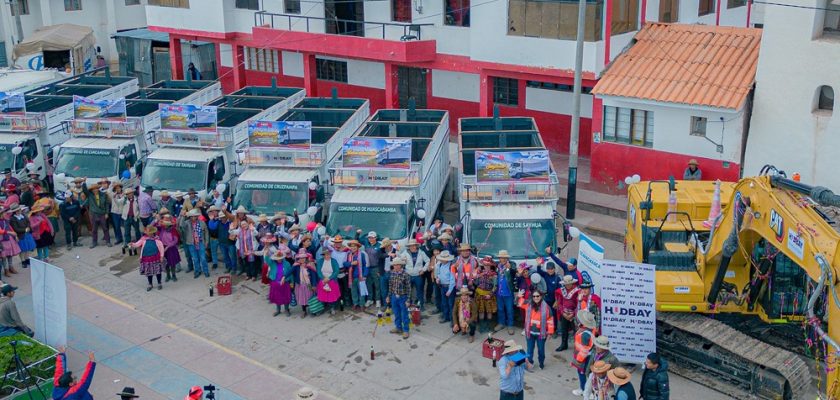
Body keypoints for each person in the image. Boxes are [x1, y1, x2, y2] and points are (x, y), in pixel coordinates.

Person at [524, 289, 554, 369]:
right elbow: (519, 303)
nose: (535, 298)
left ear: (541, 296)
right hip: (529, 333)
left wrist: (550, 333)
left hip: (541, 334)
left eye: (537, 296)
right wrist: (518, 297)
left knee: (541, 351)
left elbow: (550, 320)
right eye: (534, 296)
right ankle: (530, 363)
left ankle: (541, 363)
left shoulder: (546, 307)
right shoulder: (528, 304)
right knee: (529, 350)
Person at [572, 310, 598, 396]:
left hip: (583, 358)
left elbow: (584, 350)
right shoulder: (590, 330)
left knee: (582, 373)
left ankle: (583, 389)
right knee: (589, 374)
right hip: (588, 356)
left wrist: (578, 361)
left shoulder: (584, 334)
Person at [131, 225, 165, 291]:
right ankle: (150, 284)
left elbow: (161, 249)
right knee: (148, 272)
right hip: (146, 259)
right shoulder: (143, 239)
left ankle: (159, 283)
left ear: (153, 233)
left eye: (150, 233)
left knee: (158, 271)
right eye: (148, 233)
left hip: (155, 258)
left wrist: (161, 256)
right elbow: (137, 244)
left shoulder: (157, 240)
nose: (149, 234)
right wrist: (132, 244)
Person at [180, 208, 209, 278]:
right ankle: (197, 271)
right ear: (189, 216)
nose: (193, 217)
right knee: (195, 258)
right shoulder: (187, 223)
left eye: (195, 216)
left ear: (197, 216)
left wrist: (207, 241)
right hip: (191, 243)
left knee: (203, 258)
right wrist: (183, 217)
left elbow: (206, 232)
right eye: (192, 216)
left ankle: (206, 271)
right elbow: (181, 225)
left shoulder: (202, 222)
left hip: (200, 242)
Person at [386, 256, 411, 338]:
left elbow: (409, 288)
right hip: (394, 296)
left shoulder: (405, 275)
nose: (396, 266)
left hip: (403, 297)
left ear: (401, 265)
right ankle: (398, 327)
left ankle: (406, 330)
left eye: (398, 265)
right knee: (396, 313)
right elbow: (390, 286)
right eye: (394, 265)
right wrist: (388, 296)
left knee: (404, 314)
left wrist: (408, 300)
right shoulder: (392, 273)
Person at [555, 275, 580, 352]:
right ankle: (564, 344)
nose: (567, 285)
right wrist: (563, 313)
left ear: (572, 283)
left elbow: (579, 304)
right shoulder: (561, 290)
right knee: (564, 330)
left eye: (569, 284)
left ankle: (578, 347)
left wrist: (573, 314)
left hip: (574, 314)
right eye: (566, 284)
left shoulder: (577, 291)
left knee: (576, 331)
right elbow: (559, 303)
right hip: (564, 313)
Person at [403, 239, 430, 311]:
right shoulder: (405, 252)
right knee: (408, 291)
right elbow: (400, 260)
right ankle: (409, 305)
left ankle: (421, 305)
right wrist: (403, 261)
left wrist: (423, 270)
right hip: (408, 274)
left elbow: (428, 261)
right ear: (409, 246)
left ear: (416, 246)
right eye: (411, 246)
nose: (412, 247)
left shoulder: (421, 252)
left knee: (420, 291)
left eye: (414, 245)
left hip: (418, 275)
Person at [493, 250, 516, 335]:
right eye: (500, 258)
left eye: (503, 257)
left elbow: (514, 272)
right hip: (499, 292)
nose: (502, 259)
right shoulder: (497, 266)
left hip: (508, 292)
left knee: (509, 310)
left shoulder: (511, 265)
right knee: (500, 309)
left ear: (507, 258)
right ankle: (501, 323)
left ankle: (510, 325)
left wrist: (510, 268)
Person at [292, 248, 318, 317]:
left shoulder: (310, 265)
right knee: (302, 298)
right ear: (298, 259)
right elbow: (290, 272)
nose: (302, 259)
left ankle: (312, 310)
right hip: (300, 285)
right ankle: (304, 311)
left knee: (310, 297)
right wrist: (284, 277)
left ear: (306, 258)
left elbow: (314, 276)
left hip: (308, 285)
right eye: (300, 258)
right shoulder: (296, 266)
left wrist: (314, 285)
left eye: (303, 258)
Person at [344, 239, 369, 311]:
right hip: (351, 277)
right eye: (351, 246)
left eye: (354, 246)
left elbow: (366, 265)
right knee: (353, 291)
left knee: (362, 291)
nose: (353, 248)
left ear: (358, 247)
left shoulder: (363, 254)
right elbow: (344, 263)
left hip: (360, 276)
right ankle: (355, 303)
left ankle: (362, 304)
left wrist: (364, 275)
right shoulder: (348, 254)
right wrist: (351, 263)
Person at [475, 256, 497, 333]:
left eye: (488, 265)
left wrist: (490, 295)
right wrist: (477, 276)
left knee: (489, 311)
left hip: (488, 295)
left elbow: (495, 286)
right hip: (479, 294)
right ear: (483, 265)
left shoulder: (494, 275)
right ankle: (482, 326)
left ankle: (489, 326)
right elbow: (476, 283)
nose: (486, 266)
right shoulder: (479, 273)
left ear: (491, 265)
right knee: (481, 311)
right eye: (485, 265)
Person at [316, 247, 341, 315]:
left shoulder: (334, 261)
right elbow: (318, 271)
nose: (327, 256)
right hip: (323, 280)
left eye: (328, 254)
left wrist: (329, 278)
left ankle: (332, 308)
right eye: (325, 254)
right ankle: (323, 308)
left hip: (332, 280)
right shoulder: (320, 261)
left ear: (330, 254)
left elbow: (336, 271)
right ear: (323, 255)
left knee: (331, 296)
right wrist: (323, 278)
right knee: (323, 295)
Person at [268, 247, 293, 316]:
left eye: (280, 258)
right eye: (277, 258)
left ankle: (286, 310)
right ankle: (278, 310)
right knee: (277, 297)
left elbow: (290, 273)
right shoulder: (272, 263)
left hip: (285, 283)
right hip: (275, 283)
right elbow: (267, 260)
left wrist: (292, 282)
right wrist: (267, 253)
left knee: (286, 297)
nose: (279, 260)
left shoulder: (287, 263)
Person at [434, 250, 456, 324]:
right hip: (442, 286)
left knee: (451, 304)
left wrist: (449, 290)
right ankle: (446, 317)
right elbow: (439, 274)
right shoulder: (440, 265)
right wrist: (438, 278)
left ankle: (452, 319)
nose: (442, 260)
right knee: (444, 303)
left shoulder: (451, 266)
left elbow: (452, 280)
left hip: (449, 287)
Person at [120, 188, 142, 254]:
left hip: (134, 217)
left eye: (130, 193)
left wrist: (138, 215)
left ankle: (139, 242)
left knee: (137, 230)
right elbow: (118, 202)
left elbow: (139, 208)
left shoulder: (137, 199)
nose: (129, 194)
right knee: (127, 231)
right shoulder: (124, 199)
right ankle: (128, 243)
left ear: (132, 193)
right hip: (126, 217)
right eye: (128, 194)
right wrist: (115, 197)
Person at [0, 207, 20, 276]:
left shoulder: (6, 220)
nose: (5, 213)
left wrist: (15, 235)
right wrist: (9, 233)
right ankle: (6, 270)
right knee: (3, 256)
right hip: (2, 240)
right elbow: (0, 231)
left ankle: (11, 267)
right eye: (4, 212)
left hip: (8, 239)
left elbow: (10, 228)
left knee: (10, 254)